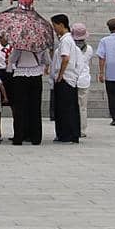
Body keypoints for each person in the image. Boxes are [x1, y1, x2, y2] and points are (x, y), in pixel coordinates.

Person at [8, 41, 49, 146]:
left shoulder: (19, 45)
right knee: (35, 107)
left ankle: (19, 137)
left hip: (21, 76)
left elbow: (12, 59)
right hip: (36, 76)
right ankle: (36, 137)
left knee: (19, 108)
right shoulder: (41, 44)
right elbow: (47, 60)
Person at [49, 15, 80, 143]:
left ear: (61, 25)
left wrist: (60, 75)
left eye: (55, 25)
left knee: (66, 108)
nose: (54, 29)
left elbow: (65, 58)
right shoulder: (66, 40)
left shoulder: (66, 40)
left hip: (65, 78)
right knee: (66, 107)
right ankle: (66, 133)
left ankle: (68, 134)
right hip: (67, 78)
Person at [71, 22, 94, 138]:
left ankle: (73, 127)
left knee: (72, 106)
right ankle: (82, 129)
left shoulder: (71, 48)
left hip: (72, 78)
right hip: (84, 79)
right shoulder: (89, 49)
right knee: (82, 107)